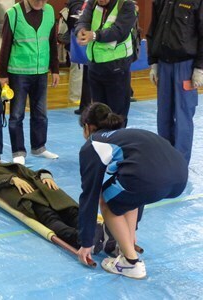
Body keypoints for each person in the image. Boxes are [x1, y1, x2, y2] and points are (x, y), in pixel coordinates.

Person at [77, 103, 188, 279]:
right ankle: (126, 243)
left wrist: (86, 242)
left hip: (150, 179)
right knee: (127, 193)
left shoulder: (93, 144)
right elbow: (137, 194)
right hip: (180, 177)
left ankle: (130, 263)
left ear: (87, 127)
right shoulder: (127, 136)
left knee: (106, 200)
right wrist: (131, 233)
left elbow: (89, 196)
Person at [0, 160, 116, 252]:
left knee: (71, 212)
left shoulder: (13, 166)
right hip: (29, 196)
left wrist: (46, 175)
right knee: (50, 218)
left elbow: (35, 172)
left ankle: (95, 233)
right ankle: (82, 238)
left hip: (47, 191)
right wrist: (11, 179)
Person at [0, 0, 60, 165]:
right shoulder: (13, 13)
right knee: (17, 115)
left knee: (41, 114)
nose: (40, 2)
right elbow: (5, 45)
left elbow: (52, 42)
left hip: (41, 73)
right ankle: (18, 151)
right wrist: (2, 74)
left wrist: (55, 69)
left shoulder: (50, 11)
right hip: (18, 73)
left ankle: (39, 147)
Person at [146, 0, 203, 165]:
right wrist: (154, 63)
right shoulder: (160, 1)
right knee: (163, 114)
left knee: (183, 115)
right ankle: (165, 159)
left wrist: (199, 68)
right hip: (164, 65)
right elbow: (153, 31)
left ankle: (179, 164)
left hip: (185, 67)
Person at [74, 0, 137, 125]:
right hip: (95, 67)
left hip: (117, 68)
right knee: (98, 115)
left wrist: (94, 36)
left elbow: (119, 31)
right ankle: (101, 143)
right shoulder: (92, 3)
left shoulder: (126, 5)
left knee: (117, 116)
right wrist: (80, 30)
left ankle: (116, 143)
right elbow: (83, 20)